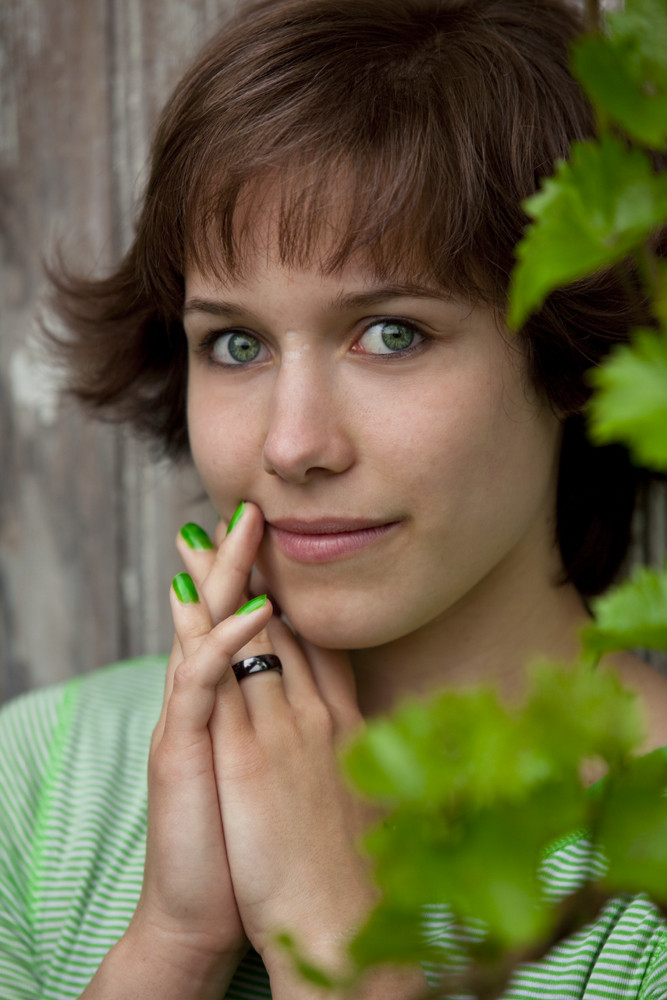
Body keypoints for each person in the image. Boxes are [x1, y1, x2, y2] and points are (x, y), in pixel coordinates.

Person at [1, 0, 666, 997]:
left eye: (390, 333)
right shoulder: (41, 777)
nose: (291, 443)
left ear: (572, 350)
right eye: (235, 343)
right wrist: (171, 947)